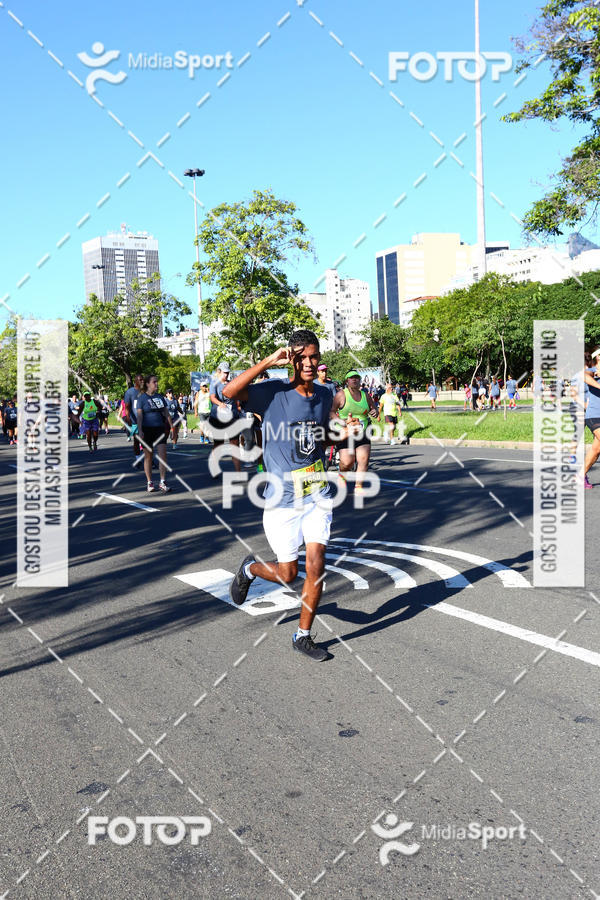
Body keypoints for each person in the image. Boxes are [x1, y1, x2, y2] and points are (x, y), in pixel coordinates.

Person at [224, 329, 350, 662]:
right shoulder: (272, 392)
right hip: (282, 500)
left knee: (316, 565)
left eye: (314, 357)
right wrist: (268, 361)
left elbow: (319, 436)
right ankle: (250, 569)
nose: (309, 363)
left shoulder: (324, 395)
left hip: (317, 494)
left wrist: (339, 436)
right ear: (291, 358)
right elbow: (228, 392)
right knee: (287, 573)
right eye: (301, 357)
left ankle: (303, 635)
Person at [331, 370, 378, 493]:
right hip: (346, 431)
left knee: (363, 459)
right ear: (347, 381)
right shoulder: (341, 395)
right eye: (352, 378)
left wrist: (375, 412)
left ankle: (358, 486)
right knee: (347, 462)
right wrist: (341, 422)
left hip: (363, 430)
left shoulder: (365, 395)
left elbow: (374, 409)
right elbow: (332, 411)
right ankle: (342, 475)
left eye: (357, 377)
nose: (355, 380)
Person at [136, 374, 173, 493]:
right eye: (154, 382)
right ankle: (150, 482)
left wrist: (172, 427)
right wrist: (140, 430)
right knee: (149, 456)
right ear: (147, 384)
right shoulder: (142, 398)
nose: (156, 384)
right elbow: (140, 416)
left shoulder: (160, 397)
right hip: (147, 429)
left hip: (159, 429)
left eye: (157, 382)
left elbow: (166, 413)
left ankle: (162, 482)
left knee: (163, 455)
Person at [208, 362, 242, 475]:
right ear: (219, 372)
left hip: (232, 418)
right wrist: (220, 403)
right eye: (224, 373)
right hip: (217, 418)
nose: (226, 375)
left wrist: (239, 406)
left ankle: (238, 473)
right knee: (219, 445)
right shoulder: (214, 383)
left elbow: (237, 396)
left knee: (235, 445)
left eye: (228, 373)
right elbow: (212, 397)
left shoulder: (231, 383)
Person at [124, 373, 143, 460]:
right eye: (140, 380)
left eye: (143, 380)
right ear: (135, 382)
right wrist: (128, 418)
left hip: (146, 420)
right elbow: (127, 407)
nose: (142, 381)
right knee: (137, 440)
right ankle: (138, 457)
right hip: (135, 421)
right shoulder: (130, 392)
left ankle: (149, 460)